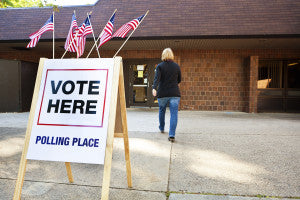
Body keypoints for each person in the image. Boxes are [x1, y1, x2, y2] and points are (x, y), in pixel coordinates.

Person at [152, 48, 181, 142]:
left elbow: (157, 78)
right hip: (174, 93)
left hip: (163, 92)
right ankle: (172, 134)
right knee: (174, 114)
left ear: (163, 55)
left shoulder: (160, 66)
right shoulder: (176, 66)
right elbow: (179, 79)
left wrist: (154, 88)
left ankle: (161, 127)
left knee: (162, 110)